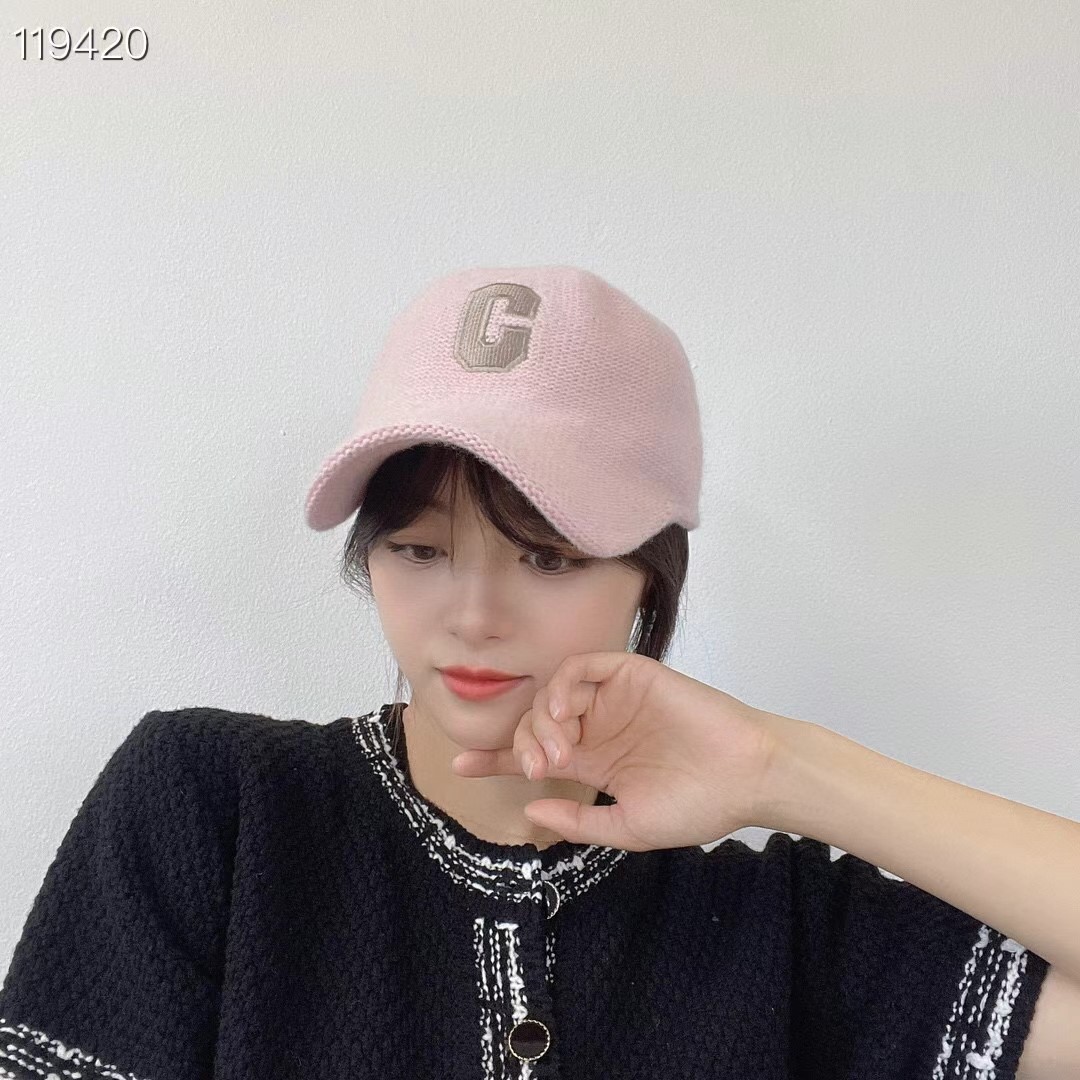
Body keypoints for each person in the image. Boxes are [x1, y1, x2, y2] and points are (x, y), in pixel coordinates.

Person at [0, 265, 1063, 1079]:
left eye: (546, 559)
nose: (473, 618)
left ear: (647, 578)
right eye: (419, 549)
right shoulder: (214, 807)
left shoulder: (776, 925)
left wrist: (781, 767)